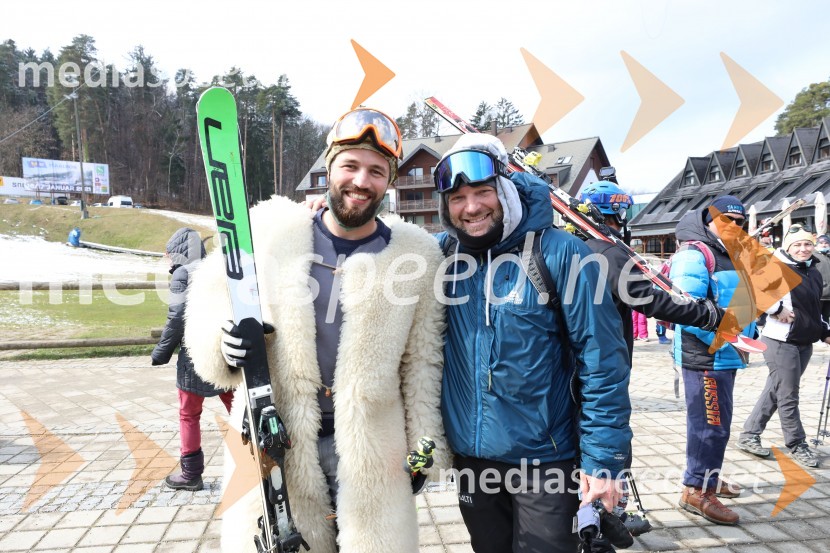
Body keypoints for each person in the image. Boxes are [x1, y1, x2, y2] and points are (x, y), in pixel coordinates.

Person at [184, 107, 447, 553]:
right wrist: (222, 344)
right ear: (329, 168)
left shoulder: (416, 257)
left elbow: (423, 360)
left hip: (374, 452)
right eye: (350, 165)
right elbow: (210, 299)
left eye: (376, 171)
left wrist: (425, 444)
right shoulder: (271, 232)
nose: (361, 181)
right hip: (274, 442)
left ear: (390, 180)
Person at [434, 133, 632, 553]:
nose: (471, 208)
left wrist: (604, 463)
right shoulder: (441, 256)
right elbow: (376, 248)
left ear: (504, 188)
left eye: (483, 192)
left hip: (545, 458)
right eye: (458, 197)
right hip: (472, 457)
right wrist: (323, 218)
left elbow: (603, 363)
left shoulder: (562, 253)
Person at [669, 195, 757, 526]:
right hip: (705, 355)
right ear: (710, 219)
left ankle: (709, 476)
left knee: (718, 427)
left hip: (727, 353)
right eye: (726, 219)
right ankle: (696, 490)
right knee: (709, 428)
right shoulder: (695, 254)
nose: (734, 226)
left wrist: (752, 332)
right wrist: (729, 340)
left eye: (739, 221)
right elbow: (685, 311)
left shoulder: (732, 253)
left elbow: (742, 300)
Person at [737, 225, 830, 468]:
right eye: (797, 244)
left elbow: (814, 310)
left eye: (807, 244)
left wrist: (825, 331)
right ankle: (797, 444)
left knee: (776, 390)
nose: (803, 249)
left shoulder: (813, 272)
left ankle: (749, 435)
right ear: (787, 246)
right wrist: (776, 309)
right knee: (789, 395)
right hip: (780, 341)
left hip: (804, 342)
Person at [151, 227, 234, 491]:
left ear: (178, 252)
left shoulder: (182, 274)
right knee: (239, 411)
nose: (168, 260)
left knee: (189, 414)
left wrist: (161, 352)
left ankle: (191, 474)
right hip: (223, 351)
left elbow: (176, 318)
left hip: (194, 354)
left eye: (169, 254)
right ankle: (260, 465)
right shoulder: (216, 269)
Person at [813, 234, 830, 323]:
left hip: (828, 296)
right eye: (821, 243)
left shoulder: (828, 256)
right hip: (818, 294)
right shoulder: (813, 256)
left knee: (826, 318)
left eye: (826, 243)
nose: (824, 245)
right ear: (817, 244)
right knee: (815, 317)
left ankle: (825, 336)